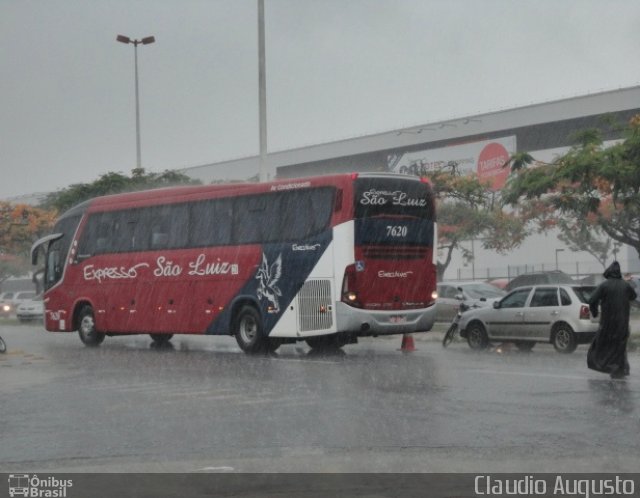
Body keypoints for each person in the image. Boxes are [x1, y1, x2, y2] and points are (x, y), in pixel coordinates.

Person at [587, 261, 637, 379]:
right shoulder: (625, 285)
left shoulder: (604, 285)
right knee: (620, 345)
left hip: (608, 323)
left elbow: (592, 300)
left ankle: (608, 366)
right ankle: (619, 368)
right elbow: (633, 296)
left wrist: (594, 312)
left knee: (602, 345)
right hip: (622, 322)